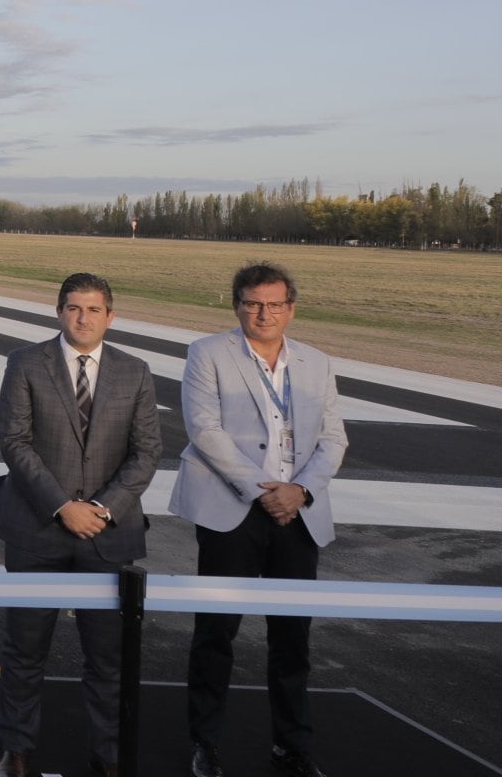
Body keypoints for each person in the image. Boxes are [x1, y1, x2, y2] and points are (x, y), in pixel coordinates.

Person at [170, 263, 347, 777]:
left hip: (299, 512)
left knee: (292, 638)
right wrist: (261, 490)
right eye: (252, 302)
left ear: (292, 308)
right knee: (215, 634)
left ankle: (291, 746)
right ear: (236, 305)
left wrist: (301, 491)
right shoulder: (208, 354)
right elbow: (205, 430)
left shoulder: (317, 362)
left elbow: (334, 438)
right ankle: (206, 742)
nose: (263, 313)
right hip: (234, 511)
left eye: (274, 304)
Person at [0, 274, 160, 777]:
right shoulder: (25, 363)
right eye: (74, 308)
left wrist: (102, 509)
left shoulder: (135, 371)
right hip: (38, 529)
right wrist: (63, 506)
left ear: (111, 316)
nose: (84, 318)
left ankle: (108, 754)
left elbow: (148, 451)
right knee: (24, 651)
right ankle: (16, 750)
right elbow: (14, 441)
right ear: (59, 312)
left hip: (107, 533)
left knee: (108, 658)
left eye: (94, 309)